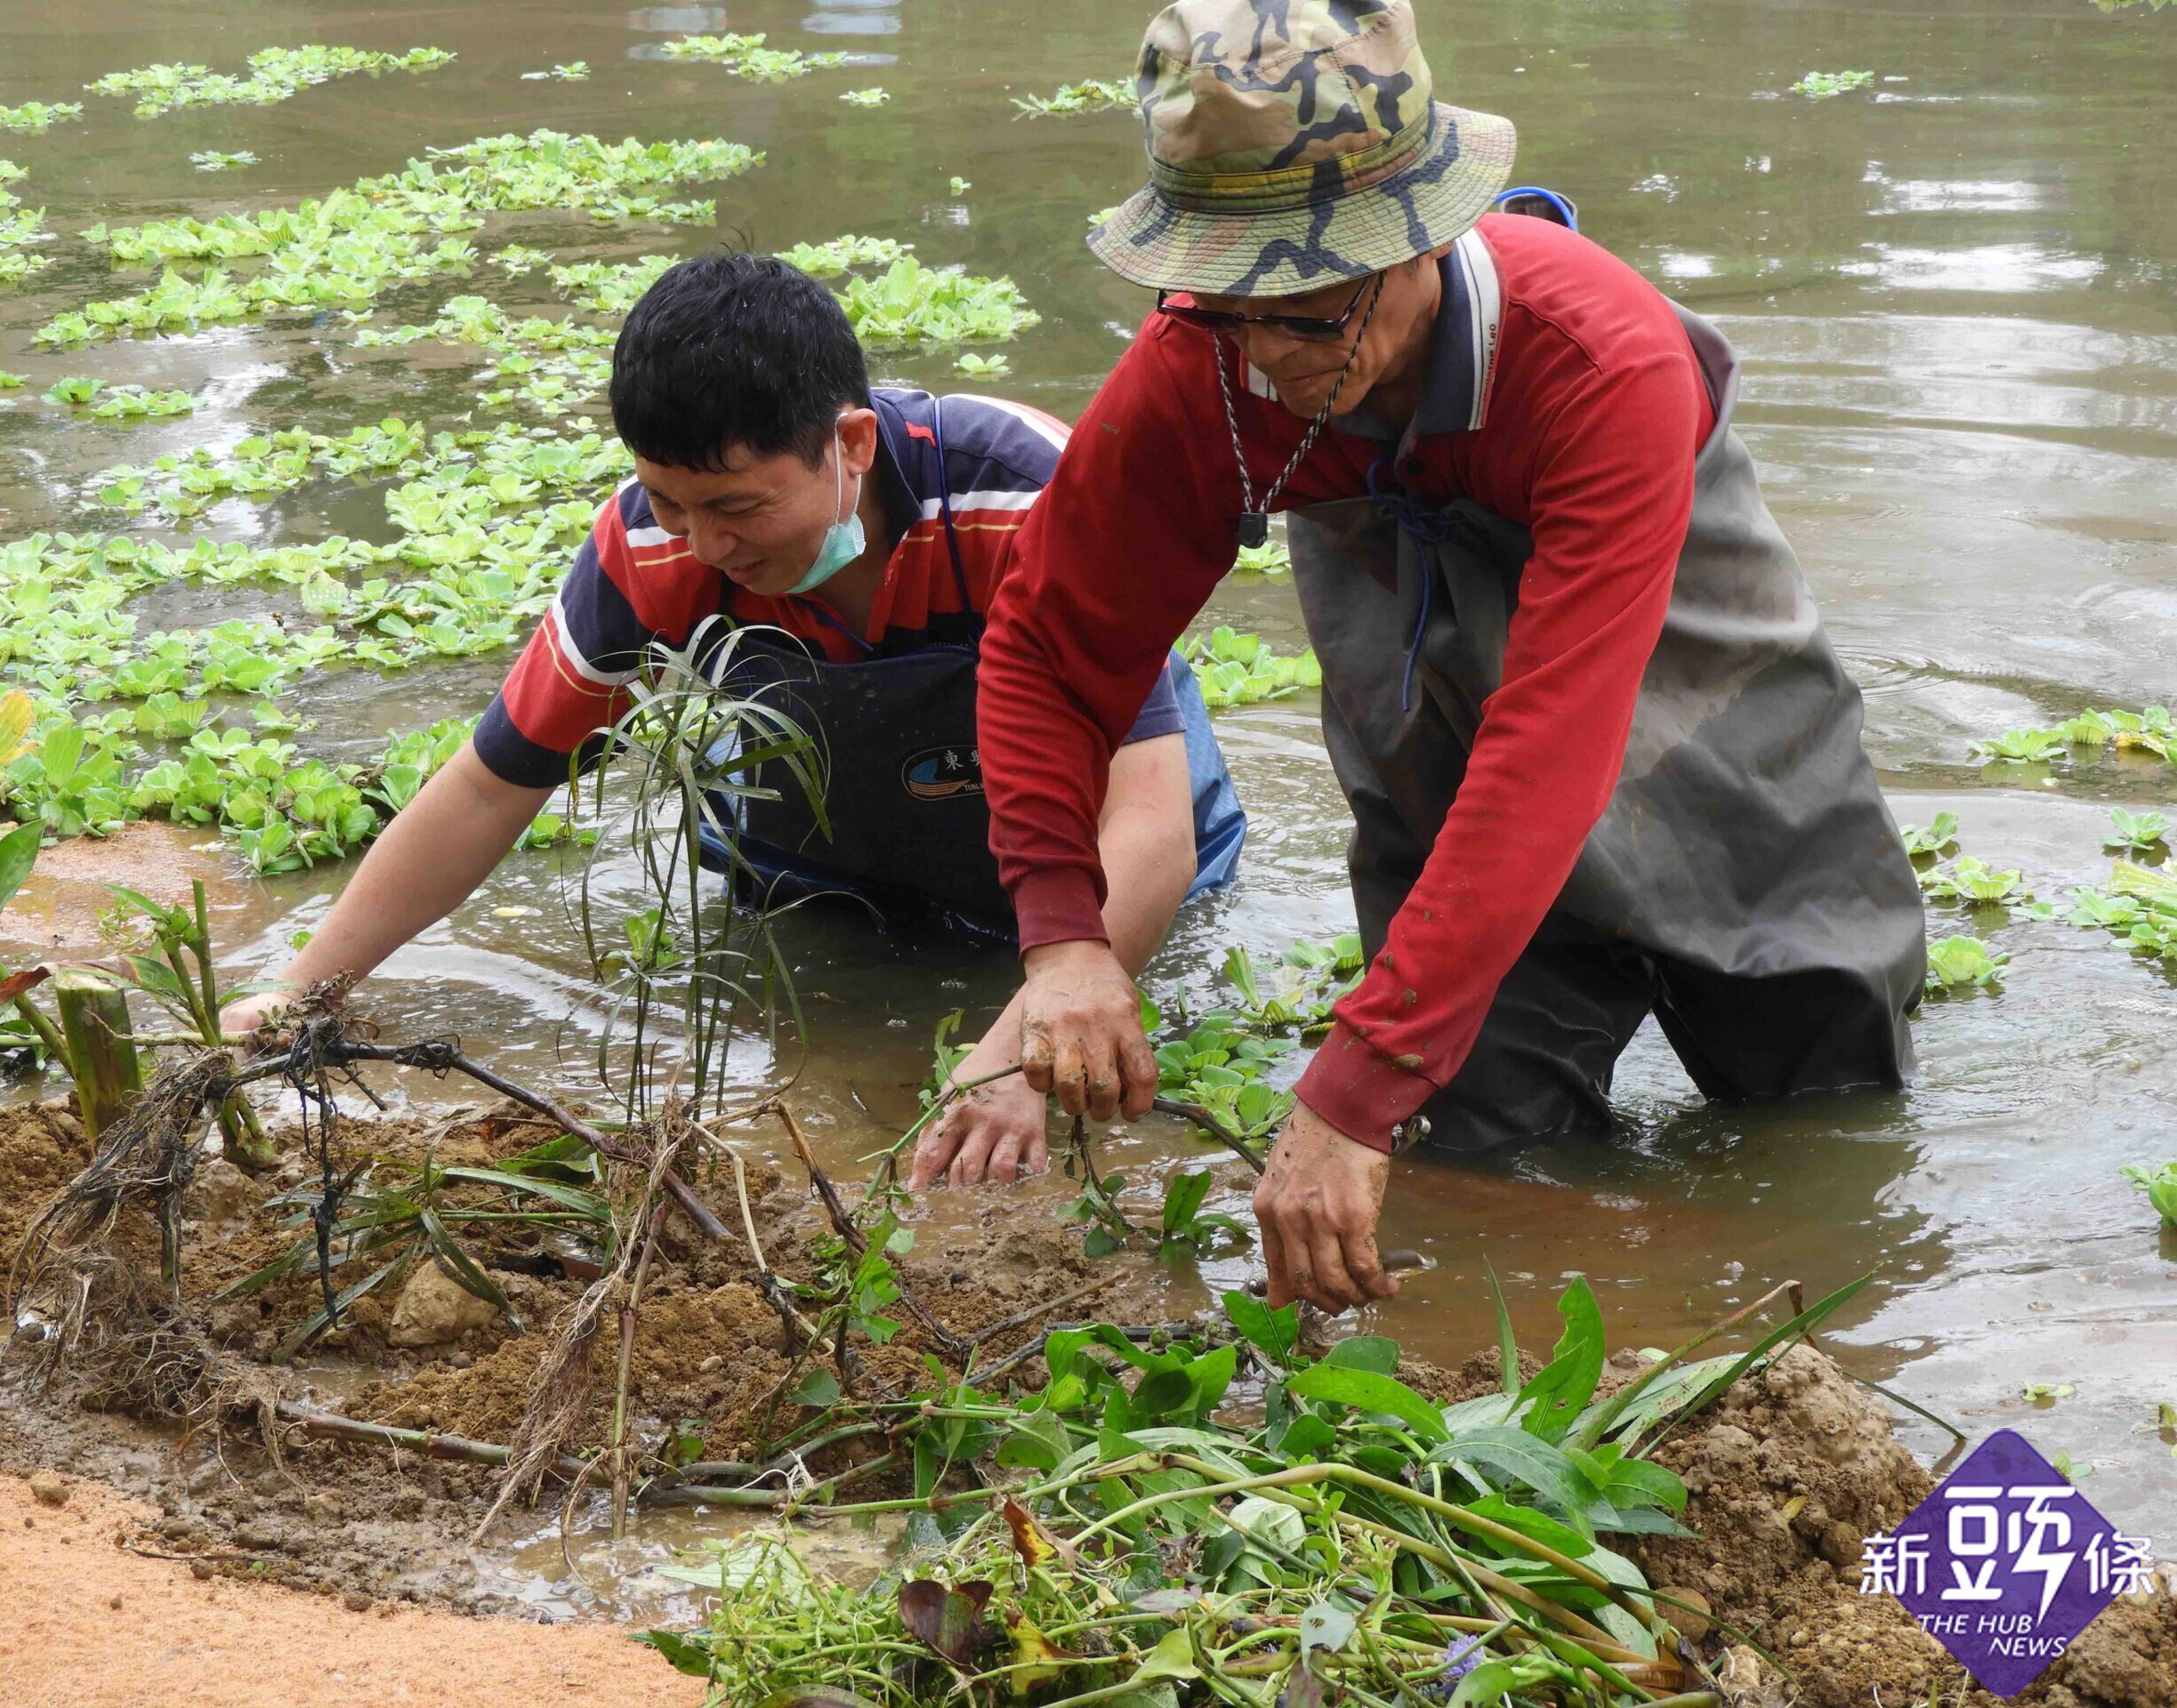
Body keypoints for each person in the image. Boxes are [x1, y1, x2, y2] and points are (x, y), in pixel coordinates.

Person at [976, 0, 1927, 1313]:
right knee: (1485, 1138)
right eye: (1229, 307)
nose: (1268, 360)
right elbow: (1047, 644)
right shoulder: (1209, 366)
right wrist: (1062, 941)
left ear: (1422, 236)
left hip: (1691, 677)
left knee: (1815, 1127)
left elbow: (1550, 750)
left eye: (1312, 315)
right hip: (1421, 672)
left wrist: (1352, 1085)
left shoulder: (1601, 363)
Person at [223, 254, 1247, 1187]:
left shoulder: (1025, 495)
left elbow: (1148, 826)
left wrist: (1023, 1054)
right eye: (668, 501)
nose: (704, 545)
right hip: (819, 877)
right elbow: (494, 786)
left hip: (1084, 860)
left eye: (740, 509)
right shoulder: (651, 547)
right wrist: (302, 991)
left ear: (849, 443)